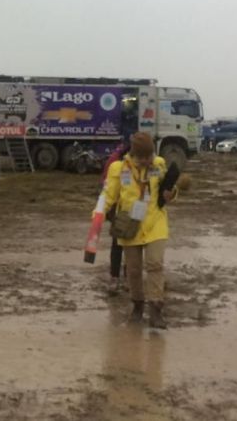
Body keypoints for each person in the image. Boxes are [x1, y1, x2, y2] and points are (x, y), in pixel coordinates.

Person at [102, 132, 178, 329]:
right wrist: (98, 212)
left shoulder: (159, 164)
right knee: (133, 270)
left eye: (149, 156)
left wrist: (172, 194)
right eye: (142, 157)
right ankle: (137, 306)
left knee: (155, 264)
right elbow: (109, 194)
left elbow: (169, 190)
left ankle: (156, 309)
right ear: (133, 154)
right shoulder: (119, 169)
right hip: (130, 225)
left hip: (155, 223)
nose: (146, 160)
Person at [101, 142, 128, 295]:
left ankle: (125, 276)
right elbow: (107, 186)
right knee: (118, 243)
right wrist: (105, 209)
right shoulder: (116, 163)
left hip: (133, 210)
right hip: (117, 209)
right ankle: (116, 277)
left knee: (132, 246)